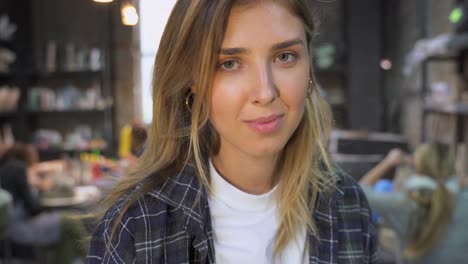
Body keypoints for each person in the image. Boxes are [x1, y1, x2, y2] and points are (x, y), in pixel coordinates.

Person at [87, 1, 377, 263]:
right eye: (229, 63)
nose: (265, 93)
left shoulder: (346, 203)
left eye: (285, 56)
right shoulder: (137, 226)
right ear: (193, 81)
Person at [359, 142, 468, 264]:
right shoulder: (464, 200)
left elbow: (360, 192)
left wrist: (388, 162)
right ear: (452, 168)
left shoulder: (404, 204)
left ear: (418, 169)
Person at [0, 143, 86, 264]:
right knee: (73, 221)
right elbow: (33, 208)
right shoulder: (18, 168)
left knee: (65, 239)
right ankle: (95, 259)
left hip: (9, 228)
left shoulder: (7, 168)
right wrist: (42, 190)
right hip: (20, 227)